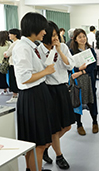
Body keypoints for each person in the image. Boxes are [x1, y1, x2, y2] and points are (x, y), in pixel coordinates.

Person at [13, 12, 55, 171]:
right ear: (34, 28)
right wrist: (46, 72)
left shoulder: (31, 46)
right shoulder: (23, 48)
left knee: (36, 142)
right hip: (32, 96)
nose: (45, 32)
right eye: (43, 29)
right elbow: (24, 78)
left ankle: (33, 168)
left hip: (37, 94)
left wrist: (45, 67)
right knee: (38, 143)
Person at [38, 21, 75, 169]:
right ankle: (59, 156)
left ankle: (46, 146)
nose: (56, 38)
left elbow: (70, 65)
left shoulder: (63, 47)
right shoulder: (39, 50)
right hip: (48, 90)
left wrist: (59, 50)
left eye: (57, 35)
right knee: (54, 127)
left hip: (62, 88)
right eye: (53, 35)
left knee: (66, 126)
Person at [70, 28, 98, 136]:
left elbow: (93, 66)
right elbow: (70, 67)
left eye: (84, 36)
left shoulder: (90, 50)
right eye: (79, 37)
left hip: (89, 79)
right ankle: (79, 124)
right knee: (78, 101)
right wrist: (77, 70)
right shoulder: (72, 51)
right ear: (75, 39)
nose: (82, 39)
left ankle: (95, 121)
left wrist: (81, 71)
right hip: (77, 81)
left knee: (92, 101)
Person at [3, 29, 20, 103]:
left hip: (13, 64)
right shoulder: (18, 42)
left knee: (13, 80)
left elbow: (7, 54)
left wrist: (5, 53)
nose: (9, 35)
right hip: (16, 64)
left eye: (10, 34)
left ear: (15, 35)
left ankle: (14, 96)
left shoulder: (15, 43)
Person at [0, 30, 11, 95]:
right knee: (8, 76)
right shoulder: (9, 43)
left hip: (0, 62)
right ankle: (9, 88)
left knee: (1, 77)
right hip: (7, 62)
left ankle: (5, 90)